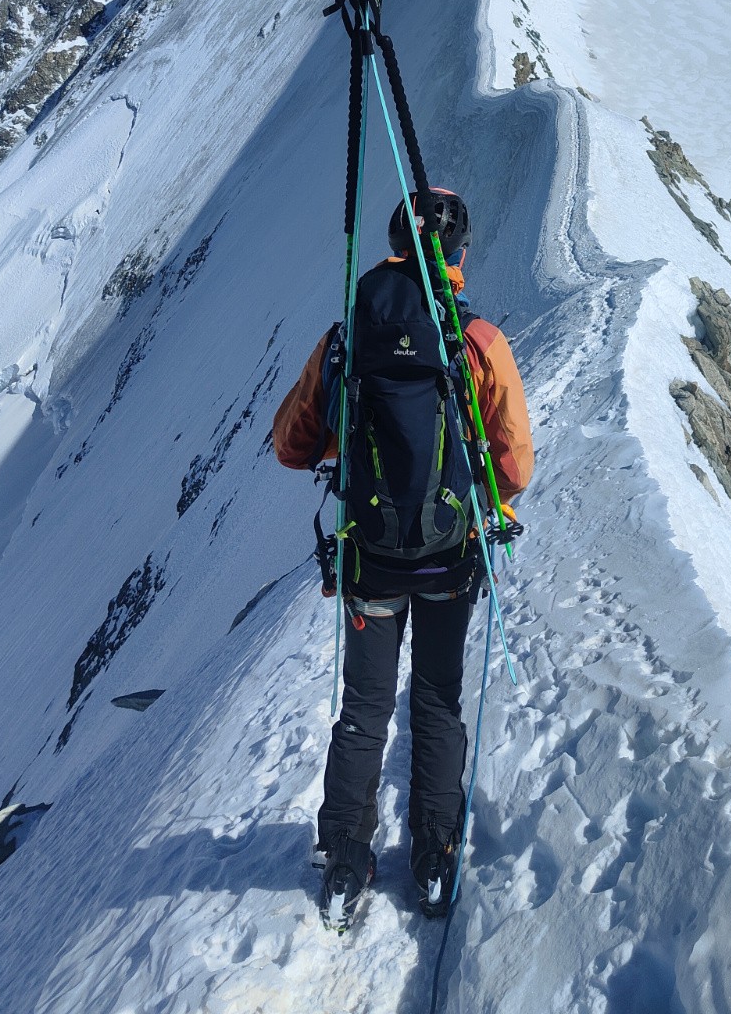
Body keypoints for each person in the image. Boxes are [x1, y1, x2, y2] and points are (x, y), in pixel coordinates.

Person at [273, 188, 533, 926]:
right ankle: (435, 853)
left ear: (391, 245)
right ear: (459, 253)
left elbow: (292, 447)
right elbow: (513, 468)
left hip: (371, 560)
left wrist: (354, 436)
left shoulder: (347, 337)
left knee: (364, 710)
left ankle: (346, 857)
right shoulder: (477, 340)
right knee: (437, 700)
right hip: (450, 559)